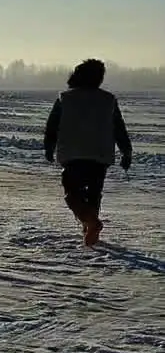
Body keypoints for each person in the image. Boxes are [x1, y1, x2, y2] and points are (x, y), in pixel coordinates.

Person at [43, 57, 132, 247]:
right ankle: (90, 231)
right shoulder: (108, 100)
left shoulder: (65, 98)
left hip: (73, 154)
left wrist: (49, 147)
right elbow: (119, 128)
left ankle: (91, 223)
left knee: (71, 194)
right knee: (94, 193)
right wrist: (126, 152)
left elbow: (52, 126)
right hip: (100, 155)